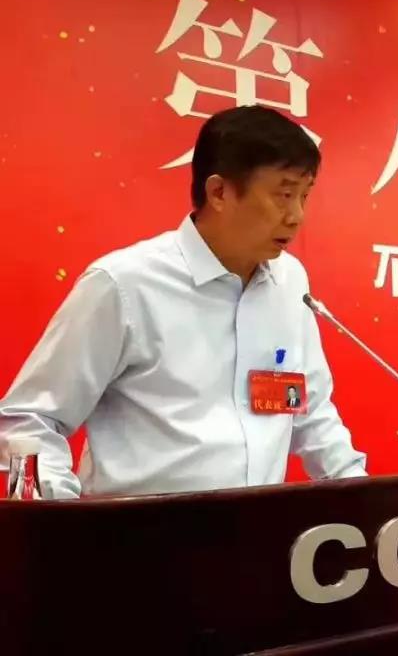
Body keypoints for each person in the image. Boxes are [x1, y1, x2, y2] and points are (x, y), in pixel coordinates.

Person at [0, 106, 367, 498]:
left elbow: (312, 414)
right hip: (137, 532)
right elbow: (29, 419)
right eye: (284, 195)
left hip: (257, 529)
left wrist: (365, 499)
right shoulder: (124, 284)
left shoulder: (290, 281)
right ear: (219, 192)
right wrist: (66, 519)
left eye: (304, 196)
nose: (296, 216)